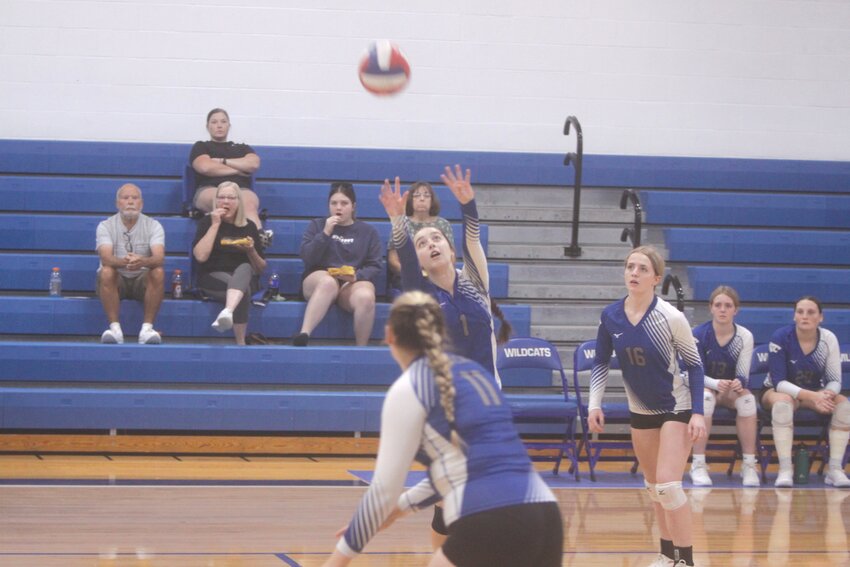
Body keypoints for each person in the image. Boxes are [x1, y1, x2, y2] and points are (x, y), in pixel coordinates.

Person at [320, 291, 563, 567]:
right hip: (546, 513)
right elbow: (463, 468)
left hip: (489, 517)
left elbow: (383, 491)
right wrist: (399, 509)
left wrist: (336, 559)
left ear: (389, 335)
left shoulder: (409, 388)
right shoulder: (475, 372)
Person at [380, 166, 513, 549]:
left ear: (450, 249)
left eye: (437, 238)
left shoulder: (476, 281)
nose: (432, 244)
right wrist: (397, 220)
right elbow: (404, 258)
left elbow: (473, 237)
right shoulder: (420, 292)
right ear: (419, 259)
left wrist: (467, 205)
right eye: (423, 243)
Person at [588, 245, 706, 567]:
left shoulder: (670, 317)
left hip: (675, 406)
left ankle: (687, 560)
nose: (634, 273)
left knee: (669, 485)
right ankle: (667, 554)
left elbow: (695, 366)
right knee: (654, 488)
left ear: (656, 278)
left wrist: (697, 411)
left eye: (642, 269)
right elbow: (600, 361)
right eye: (630, 267)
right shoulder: (611, 316)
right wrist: (593, 405)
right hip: (641, 410)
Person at [761, 296, 850, 488]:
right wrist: (815, 396)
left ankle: (835, 469)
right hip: (777, 391)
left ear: (821, 317)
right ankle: (785, 469)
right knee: (783, 403)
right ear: (794, 316)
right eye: (800, 312)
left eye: (811, 312)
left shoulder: (828, 339)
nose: (805, 316)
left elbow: (835, 380)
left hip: (814, 392)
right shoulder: (780, 337)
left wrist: (827, 394)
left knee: (844, 406)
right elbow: (778, 382)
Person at [294, 182, 382, 347]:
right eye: (334, 203)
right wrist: (326, 233)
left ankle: (361, 348)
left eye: (344, 203)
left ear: (353, 206)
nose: (338, 207)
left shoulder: (368, 232)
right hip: (319, 279)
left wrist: (357, 276)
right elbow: (307, 257)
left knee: (366, 297)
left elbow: (375, 265)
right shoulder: (317, 225)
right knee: (328, 282)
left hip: (350, 283)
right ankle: (303, 334)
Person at [689, 286, 760, 487]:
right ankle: (698, 463)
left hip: (729, 390)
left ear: (735, 310)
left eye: (728, 306)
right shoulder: (698, 334)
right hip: (706, 387)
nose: (723, 309)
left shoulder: (744, 336)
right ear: (711, 308)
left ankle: (748, 465)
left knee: (747, 401)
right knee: (705, 399)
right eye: (718, 305)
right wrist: (715, 383)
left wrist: (739, 381)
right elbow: (694, 373)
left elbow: (743, 374)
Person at [192, 182, 267, 345]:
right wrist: (215, 225)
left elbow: (261, 268)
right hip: (212, 277)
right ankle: (241, 343)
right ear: (216, 201)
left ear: (238, 202)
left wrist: (251, 251)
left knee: (245, 268)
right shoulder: (206, 223)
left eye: (231, 198)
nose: (225, 202)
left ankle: (228, 311)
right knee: (243, 291)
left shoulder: (249, 226)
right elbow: (200, 257)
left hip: (243, 276)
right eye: (221, 197)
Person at [189, 108, 272, 247]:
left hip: (240, 189)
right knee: (222, 198)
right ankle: (223, 242)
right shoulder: (201, 146)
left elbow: (253, 164)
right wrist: (239, 170)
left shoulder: (242, 148)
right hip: (209, 189)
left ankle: (258, 239)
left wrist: (222, 161)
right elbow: (205, 167)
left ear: (229, 125)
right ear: (207, 126)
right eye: (214, 122)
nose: (219, 125)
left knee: (247, 202)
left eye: (223, 121)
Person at [96, 183, 165, 345]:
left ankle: (147, 329)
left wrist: (142, 261)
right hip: (117, 279)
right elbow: (106, 258)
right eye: (125, 198)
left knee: (158, 272)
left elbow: (159, 258)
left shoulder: (154, 225)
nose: (130, 202)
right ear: (117, 203)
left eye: (135, 198)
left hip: (141, 279)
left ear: (141, 203)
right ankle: (115, 329)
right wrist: (125, 263)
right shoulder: (105, 226)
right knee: (106, 271)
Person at [385, 181, 454, 298]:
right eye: (417, 195)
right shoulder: (401, 222)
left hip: (438, 275)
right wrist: (412, 273)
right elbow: (393, 260)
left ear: (432, 200)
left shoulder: (443, 224)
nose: (422, 199)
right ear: (410, 200)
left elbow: (451, 256)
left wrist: (435, 272)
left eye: (426, 195)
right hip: (407, 277)